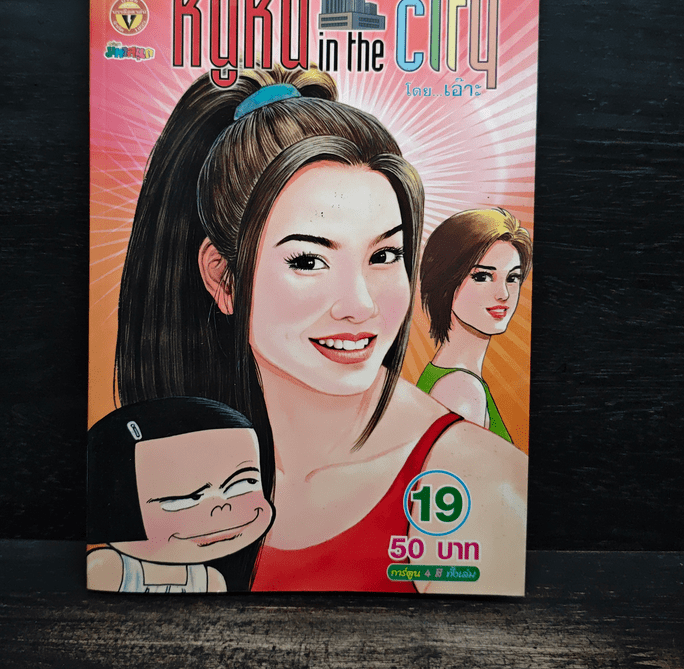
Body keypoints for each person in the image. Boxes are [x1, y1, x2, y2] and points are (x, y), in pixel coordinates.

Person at [115, 67, 528, 594]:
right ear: (224, 278)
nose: (360, 306)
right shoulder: (160, 472)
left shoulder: (480, 484)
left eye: (385, 255)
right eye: (309, 261)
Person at [87, 396, 274, 593]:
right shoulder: (109, 569)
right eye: (182, 499)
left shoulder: (211, 581)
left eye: (243, 483)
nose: (220, 507)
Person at [417, 208, 533, 442]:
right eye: (482, 277)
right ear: (444, 282)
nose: (503, 294)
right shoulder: (462, 391)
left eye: (512, 278)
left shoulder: (448, 378)